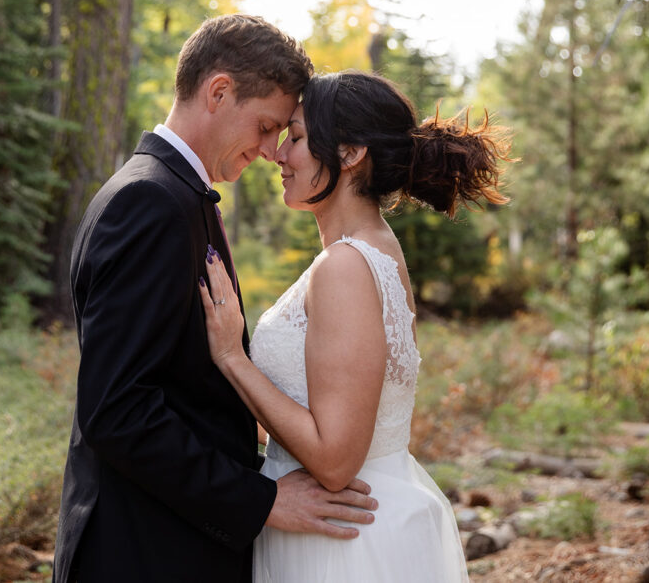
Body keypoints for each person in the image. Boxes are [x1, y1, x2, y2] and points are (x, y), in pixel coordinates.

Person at [53, 16, 378, 583]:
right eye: (266, 125)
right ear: (219, 92)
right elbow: (116, 410)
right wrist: (262, 501)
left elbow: (186, 395)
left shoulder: (177, 195)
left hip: (175, 541)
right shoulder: (149, 203)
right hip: (141, 553)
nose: (271, 149)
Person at [199, 70, 511, 582]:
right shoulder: (369, 251)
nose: (278, 154)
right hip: (345, 524)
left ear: (349, 153)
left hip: (344, 544)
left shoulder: (346, 266)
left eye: (296, 138)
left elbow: (335, 460)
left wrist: (232, 358)